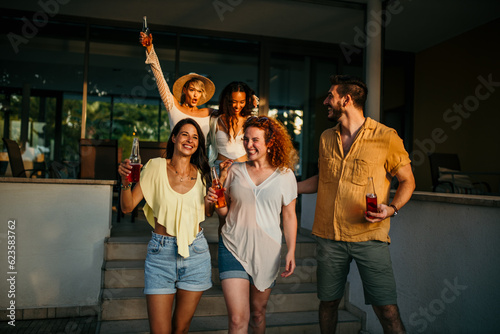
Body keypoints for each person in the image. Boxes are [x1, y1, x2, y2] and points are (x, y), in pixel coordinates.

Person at [298, 75, 415, 334]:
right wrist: (287, 188)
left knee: (387, 309)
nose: (325, 101)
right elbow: (323, 179)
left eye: (330, 96)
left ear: (346, 99)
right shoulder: (327, 137)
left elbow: (407, 181)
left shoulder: (386, 136)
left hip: (370, 238)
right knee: (328, 303)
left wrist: (391, 209)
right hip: (329, 237)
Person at [118, 118, 212, 333]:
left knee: (181, 329)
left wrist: (213, 201)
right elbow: (127, 207)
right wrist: (124, 181)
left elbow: (208, 212)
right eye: (185, 134)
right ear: (174, 137)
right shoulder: (155, 166)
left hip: (196, 253)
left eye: (195, 137)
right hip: (161, 253)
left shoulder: (202, 174)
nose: (190, 140)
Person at [207, 116, 299, 333]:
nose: (249, 145)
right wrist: (215, 198)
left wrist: (291, 250)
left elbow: (289, 216)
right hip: (232, 246)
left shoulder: (285, 175)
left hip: (267, 251)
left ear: (270, 142)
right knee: (238, 319)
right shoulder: (233, 170)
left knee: (257, 314)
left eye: (255, 140)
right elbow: (223, 212)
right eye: (246, 139)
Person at [140, 32, 216, 142]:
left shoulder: (209, 112)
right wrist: (149, 48)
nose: (195, 94)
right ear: (184, 90)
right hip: (176, 158)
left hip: (201, 159)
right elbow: (159, 76)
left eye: (199, 91)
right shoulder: (173, 106)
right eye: (192, 90)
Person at [207, 81, 258, 168]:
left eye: (242, 102)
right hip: (219, 168)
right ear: (226, 101)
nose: (237, 106)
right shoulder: (215, 119)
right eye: (233, 102)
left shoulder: (250, 121)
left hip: (243, 169)